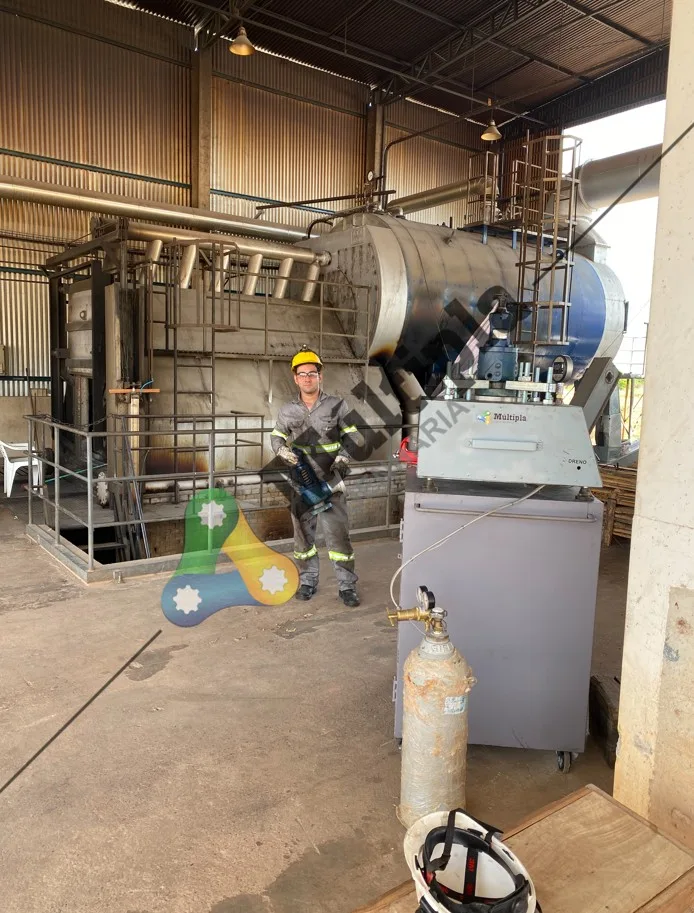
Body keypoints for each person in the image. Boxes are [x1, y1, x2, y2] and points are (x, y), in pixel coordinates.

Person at [271, 347, 361, 607]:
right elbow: (277, 436)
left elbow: (353, 435)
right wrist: (281, 450)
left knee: (338, 535)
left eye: (312, 373)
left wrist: (344, 458)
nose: (308, 378)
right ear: (295, 378)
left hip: (332, 480)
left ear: (320, 376)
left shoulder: (338, 405)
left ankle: (347, 587)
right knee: (303, 537)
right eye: (302, 374)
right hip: (301, 481)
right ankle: (308, 580)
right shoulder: (287, 410)